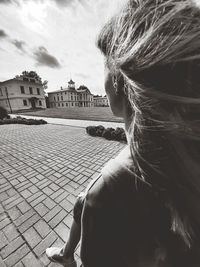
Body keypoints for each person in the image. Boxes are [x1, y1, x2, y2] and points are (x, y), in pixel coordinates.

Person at [46, 0, 200, 266]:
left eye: (105, 61)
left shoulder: (110, 191)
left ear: (121, 77)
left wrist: (98, 199)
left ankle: (66, 255)